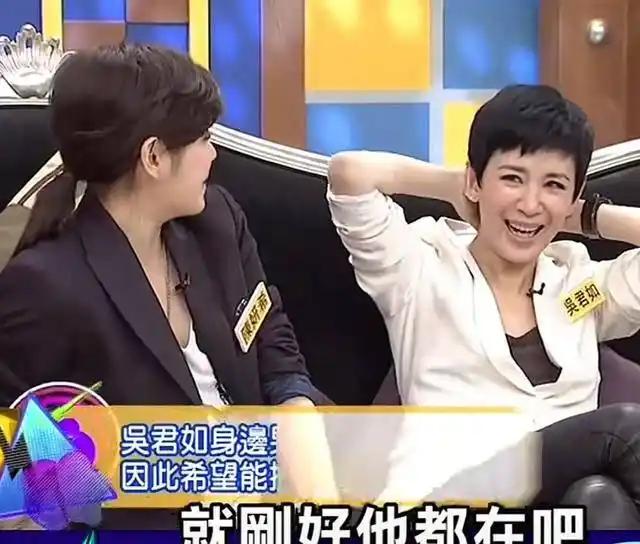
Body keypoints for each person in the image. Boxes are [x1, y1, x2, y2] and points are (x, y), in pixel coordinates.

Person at [0, 43, 336, 529]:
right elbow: (27, 477)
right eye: (203, 139)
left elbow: (270, 340)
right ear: (154, 156)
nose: (213, 155)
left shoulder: (215, 221)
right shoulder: (45, 288)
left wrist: (304, 447)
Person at [326, 84, 640, 528]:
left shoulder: (579, 289)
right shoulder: (420, 267)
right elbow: (349, 174)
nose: (530, 204)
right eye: (512, 178)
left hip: (549, 509)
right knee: (624, 432)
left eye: (553, 185)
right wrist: (455, 187)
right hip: (448, 506)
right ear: (475, 180)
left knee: (601, 501)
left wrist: (587, 216)